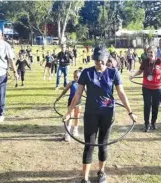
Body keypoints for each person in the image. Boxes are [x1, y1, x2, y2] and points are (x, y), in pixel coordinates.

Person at [62, 46, 136, 183]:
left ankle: (101, 171)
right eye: (97, 61)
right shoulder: (86, 73)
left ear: (107, 59)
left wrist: (130, 112)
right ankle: (84, 178)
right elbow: (78, 94)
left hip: (107, 114)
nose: (99, 64)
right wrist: (68, 113)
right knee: (89, 145)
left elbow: (121, 93)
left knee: (103, 144)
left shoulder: (114, 73)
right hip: (91, 114)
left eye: (101, 61)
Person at [131, 46, 161, 132]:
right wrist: (133, 75)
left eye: (152, 52)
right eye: (149, 52)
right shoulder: (145, 61)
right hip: (146, 87)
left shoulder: (160, 61)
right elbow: (140, 71)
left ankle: (153, 123)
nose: (150, 54)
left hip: (157, 88)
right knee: (147, 105)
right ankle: (146, 124)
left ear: (155, 53)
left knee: (155, 106)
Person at [57, 69, 82, 142]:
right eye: (74, 76)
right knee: (70, 117)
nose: (75, 78)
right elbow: (64, 91)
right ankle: (67, 133)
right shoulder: (71, 83)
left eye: (77, 77)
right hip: (71, 102)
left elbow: (87, 93)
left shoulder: (82, 84)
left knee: (77, 117)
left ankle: (75, 130)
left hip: (79, 103)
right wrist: (59, 97)